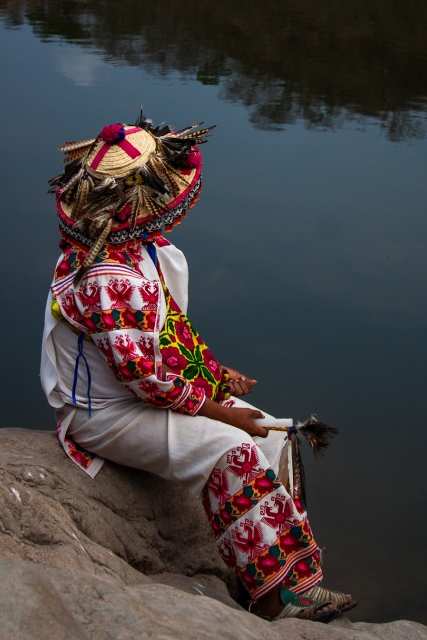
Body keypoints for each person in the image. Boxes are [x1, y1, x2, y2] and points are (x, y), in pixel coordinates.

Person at [40, 114, 355, 622]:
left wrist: (216, 374)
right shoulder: (105, 277)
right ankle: (277, 601)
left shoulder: (144, 252)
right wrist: (224, 416)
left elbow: (166, 338)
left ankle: (289, 574)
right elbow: (144, 381)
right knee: (232, 446)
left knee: (274, 437)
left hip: (148, 391)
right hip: (104, 413)